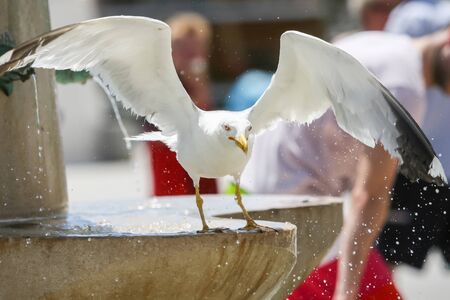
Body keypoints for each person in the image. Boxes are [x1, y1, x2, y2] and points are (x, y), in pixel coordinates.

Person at [242, 16, 450, 300]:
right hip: (297, 206)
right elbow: (370, 197)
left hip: (264, 181)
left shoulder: (381, 43)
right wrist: (347, 292)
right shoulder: (405, 87)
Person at [377, 0, 450, 271]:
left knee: (384, 263)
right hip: (424, 163)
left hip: (415, 166)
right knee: (387, 259)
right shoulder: (415, 15)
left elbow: (390, 75)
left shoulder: (412, 15)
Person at [146, 12, 217, 196]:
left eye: (196, 48)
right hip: (169, 172)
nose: (190, 54)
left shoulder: (199, 82)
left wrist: (199, 84)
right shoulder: (158, 81)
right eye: (182, 47)